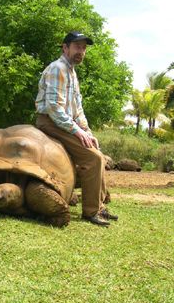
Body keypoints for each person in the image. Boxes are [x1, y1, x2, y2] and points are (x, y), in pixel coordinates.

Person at [35, 31, 118, 226]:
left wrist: (86, 131)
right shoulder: (57, 69)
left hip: (65, 121)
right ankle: (91, 212)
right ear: (65, 48)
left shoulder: (72, 72)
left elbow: (77, 108)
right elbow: (55, 109)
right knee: (93, 158)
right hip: (51, 121)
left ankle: (100, 205)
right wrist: (77, 131)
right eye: (77, 46)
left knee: (96, 150)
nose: (81, 51)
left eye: (84, 48)